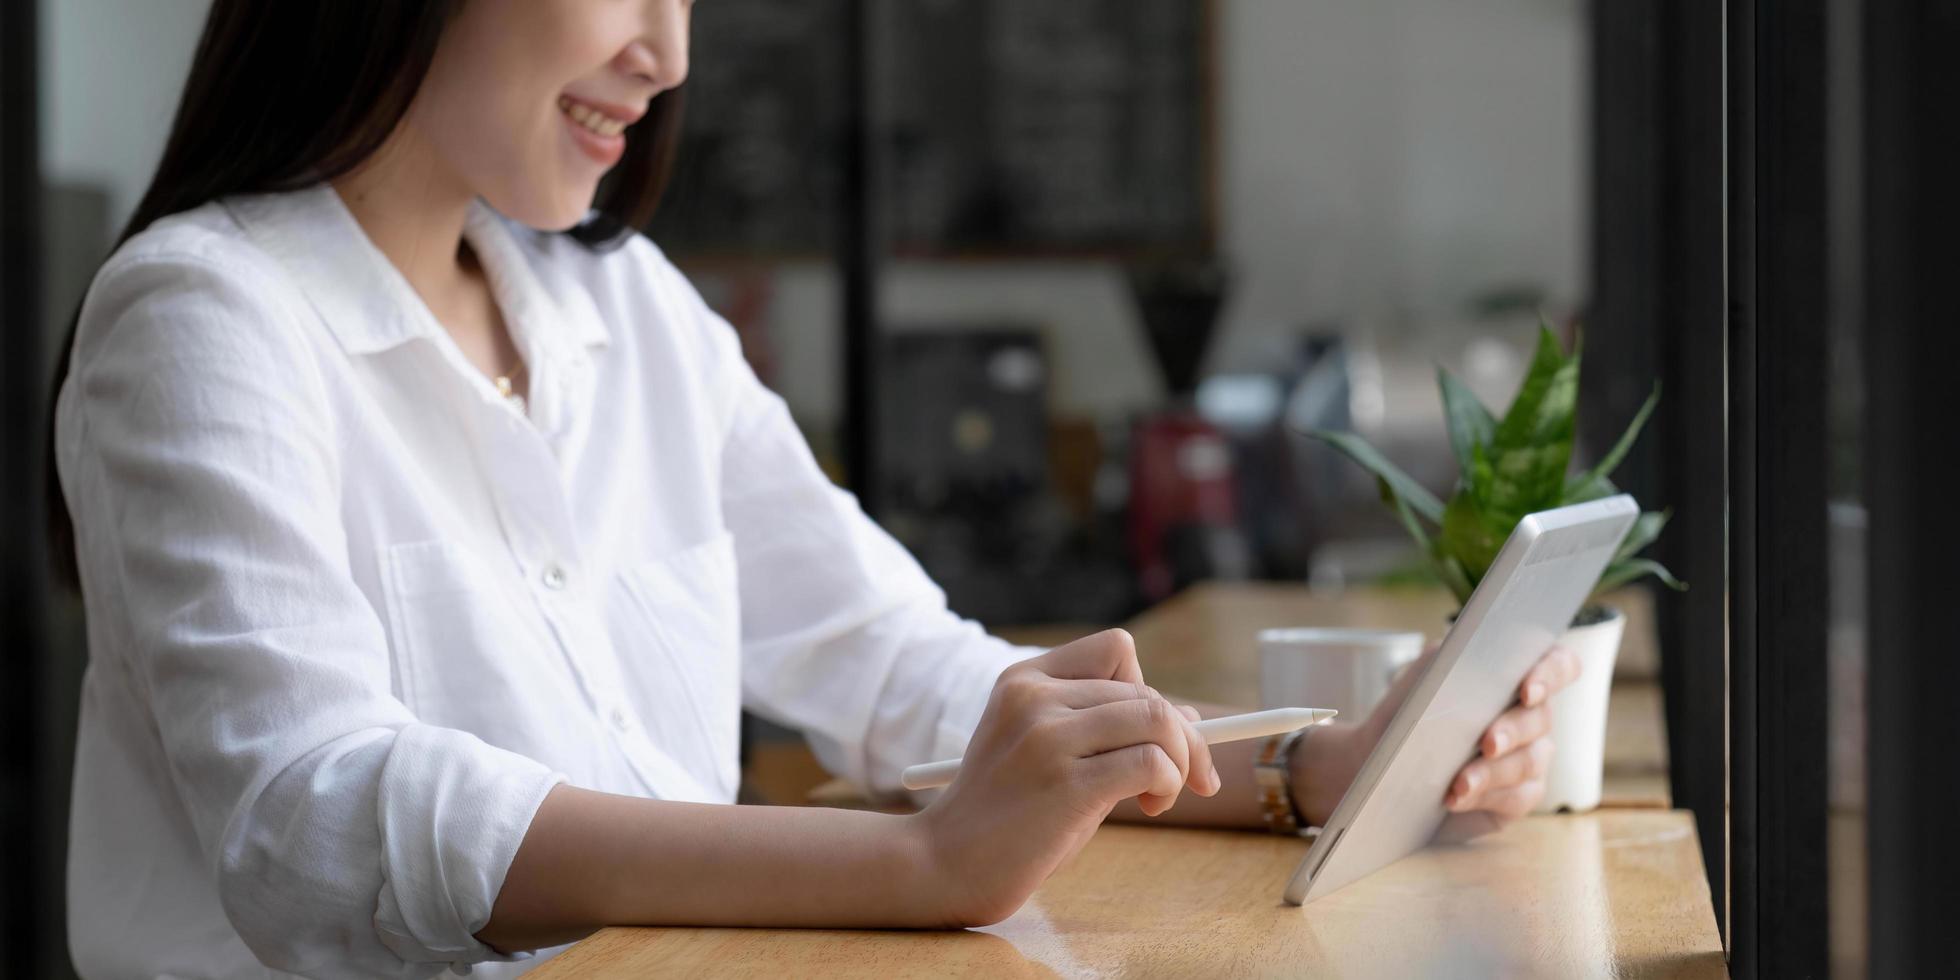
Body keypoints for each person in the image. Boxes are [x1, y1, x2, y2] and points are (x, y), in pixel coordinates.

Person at [47, 2, 1579, 976]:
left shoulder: (626, 310)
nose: (671, 52)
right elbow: (314, 817)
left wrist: (1311, 772)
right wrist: (912, 867)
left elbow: (903, 670)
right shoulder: (205, 317)